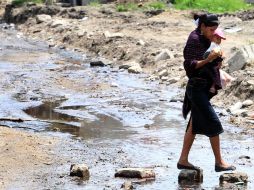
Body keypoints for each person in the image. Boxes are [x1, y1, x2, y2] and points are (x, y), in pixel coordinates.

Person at [178, 14, 236, 172]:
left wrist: (218, 57)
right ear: (202, 26)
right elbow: (190, 66)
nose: (213, 33)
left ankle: (183, 160)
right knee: (213, 123)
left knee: (193, 125)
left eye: (215, 30)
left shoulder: (206, 37)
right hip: (196, 88)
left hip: (202, 88)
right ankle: (219, 162)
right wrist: (208, 59)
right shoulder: (194, 40)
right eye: (211, 29)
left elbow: (212, 60)